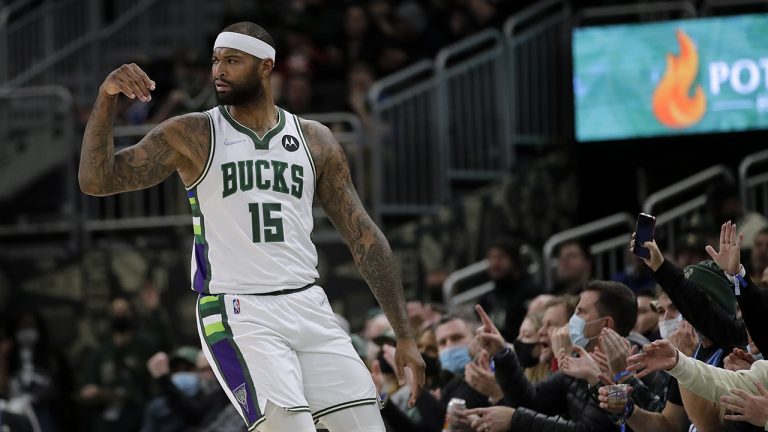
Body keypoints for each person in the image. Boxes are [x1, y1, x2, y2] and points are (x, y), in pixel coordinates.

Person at [78, 21, 425, 432]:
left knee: (367, 426)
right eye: (216, 60)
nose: (219, 71)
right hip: (238, 310)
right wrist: (106, 99)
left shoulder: (315, 140)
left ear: (266, 67)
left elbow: (363, 235)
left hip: (309, 305)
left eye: (232, 61)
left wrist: (404, 333)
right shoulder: (195, 133)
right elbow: (97, 180)